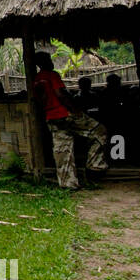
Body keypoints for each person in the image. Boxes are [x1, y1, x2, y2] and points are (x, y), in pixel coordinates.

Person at [32, 51, 107, 190]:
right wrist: (75, 109)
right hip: (65, 113)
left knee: (63, 150)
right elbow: (60, 94)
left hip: (51, 117)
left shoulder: (36, 80)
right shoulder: (52, 75)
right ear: (43, 62)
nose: (51, 61)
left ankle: (68, 184)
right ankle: (95, 166)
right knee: (99, 130)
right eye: (49, 59)